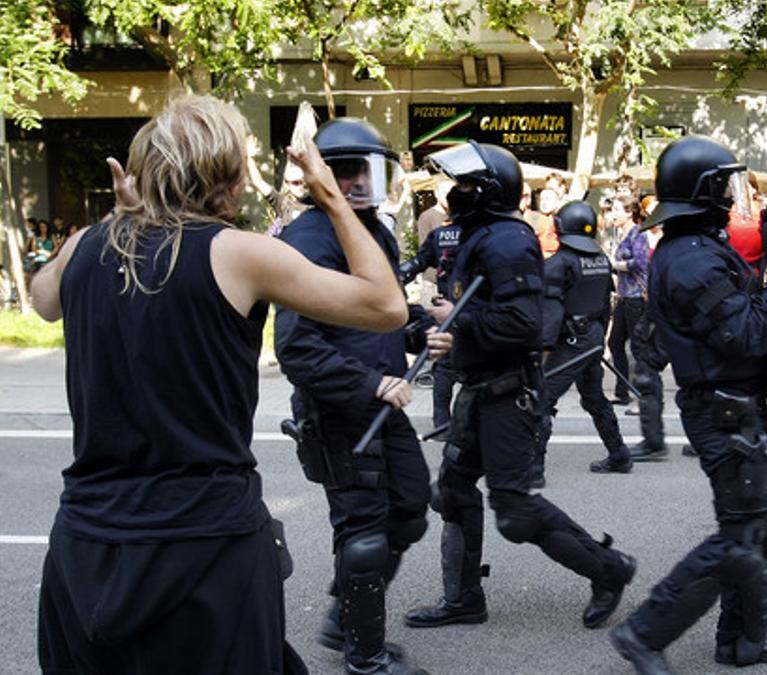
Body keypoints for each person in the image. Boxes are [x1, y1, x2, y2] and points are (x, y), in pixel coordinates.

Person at [30, 95, 411, 675]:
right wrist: (330, 194)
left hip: (86, 543)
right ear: (229, 181)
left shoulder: (87, 245)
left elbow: (42, 298)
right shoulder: (239, 254)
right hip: (205, 544)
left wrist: (118, 218)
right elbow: (386, 306)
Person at [404, 141, 636, 633]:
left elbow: (523, 324)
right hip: (480, 388)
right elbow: (476, 311)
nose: (454, 193)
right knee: (452, 491)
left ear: (488, 189)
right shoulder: (479, 234)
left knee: (513, 509)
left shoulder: (506, 240)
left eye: (464, 185)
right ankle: (464, 598)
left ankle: (609, 570)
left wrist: (459, 325)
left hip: (507, 396)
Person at [609, 136, 767, 672]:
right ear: (701, 191)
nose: (727, 192)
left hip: (734, 406)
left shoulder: (695, 248)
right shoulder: (692, 260)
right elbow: (748, 336)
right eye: (721, 183)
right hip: (723, 411)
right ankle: (645, 633)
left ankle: (741, 642)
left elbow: (740, 313)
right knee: (743, 537)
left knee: (757, 530)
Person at [274, 118, 440, 675]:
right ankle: (364, 657)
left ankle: (343, 617)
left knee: (411, 509)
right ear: (322, 177)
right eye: (346, 171)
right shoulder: (307, 239)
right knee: (364, 533)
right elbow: (296, 347)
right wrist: (369, 383)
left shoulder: (375, 232)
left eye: (367, 170)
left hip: (385, 407)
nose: (359, 183)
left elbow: (379, 310)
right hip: (343, 413)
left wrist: (419, 328)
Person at [537, 200, 634, 479]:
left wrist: (542, 354)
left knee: (541, 400)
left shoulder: (557, 264)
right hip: (590, 338)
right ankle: (619, 454)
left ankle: (533, 470)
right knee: (593, 398)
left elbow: (551, 316)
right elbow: (606, 304)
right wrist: (596, 339)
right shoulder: (601, 259)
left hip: (568, 341)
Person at [398, 212, 463, 435]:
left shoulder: (440, 236)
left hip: (446, 308)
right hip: (475, 309)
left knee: (445, 367)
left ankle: (442, 423)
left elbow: (414, 265)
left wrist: (394, 282)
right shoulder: (486, 234)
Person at [606, 194, 651, 406]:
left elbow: (640, 262)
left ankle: (645, 392)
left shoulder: (637, 233)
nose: (612, 214)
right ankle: (622, 390)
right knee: (615, 343)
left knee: (638, 346)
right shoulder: (621, 234)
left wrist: (616, 264)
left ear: (628, 212)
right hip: (623, 297)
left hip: (636, 298)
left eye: (616, 209)